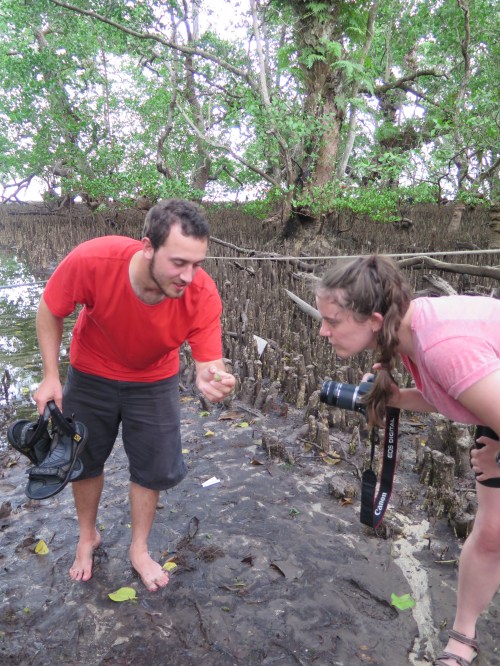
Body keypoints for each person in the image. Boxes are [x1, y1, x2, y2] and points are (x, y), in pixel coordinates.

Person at [33, 198, 235, 592]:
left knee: (152, 467)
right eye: (178, 262)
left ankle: (139, 550)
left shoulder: (202, 294)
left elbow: (212, 364)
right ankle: (87, 536)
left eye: (197, 264)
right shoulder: (95, 259)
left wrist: (217, 381)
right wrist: (50, 376)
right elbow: (49, 309)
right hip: (91, 371)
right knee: (84, 457)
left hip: (155, 379)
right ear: (147, 247)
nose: (189, 276)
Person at [315, 254, 500, 666]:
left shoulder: (443, 347)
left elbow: (458, 372)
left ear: (374, 320)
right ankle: (462, 640)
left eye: (333, 321)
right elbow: (456, 394)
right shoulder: (412, 332)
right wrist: (398, 399)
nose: (322, 331)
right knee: (492, 534)